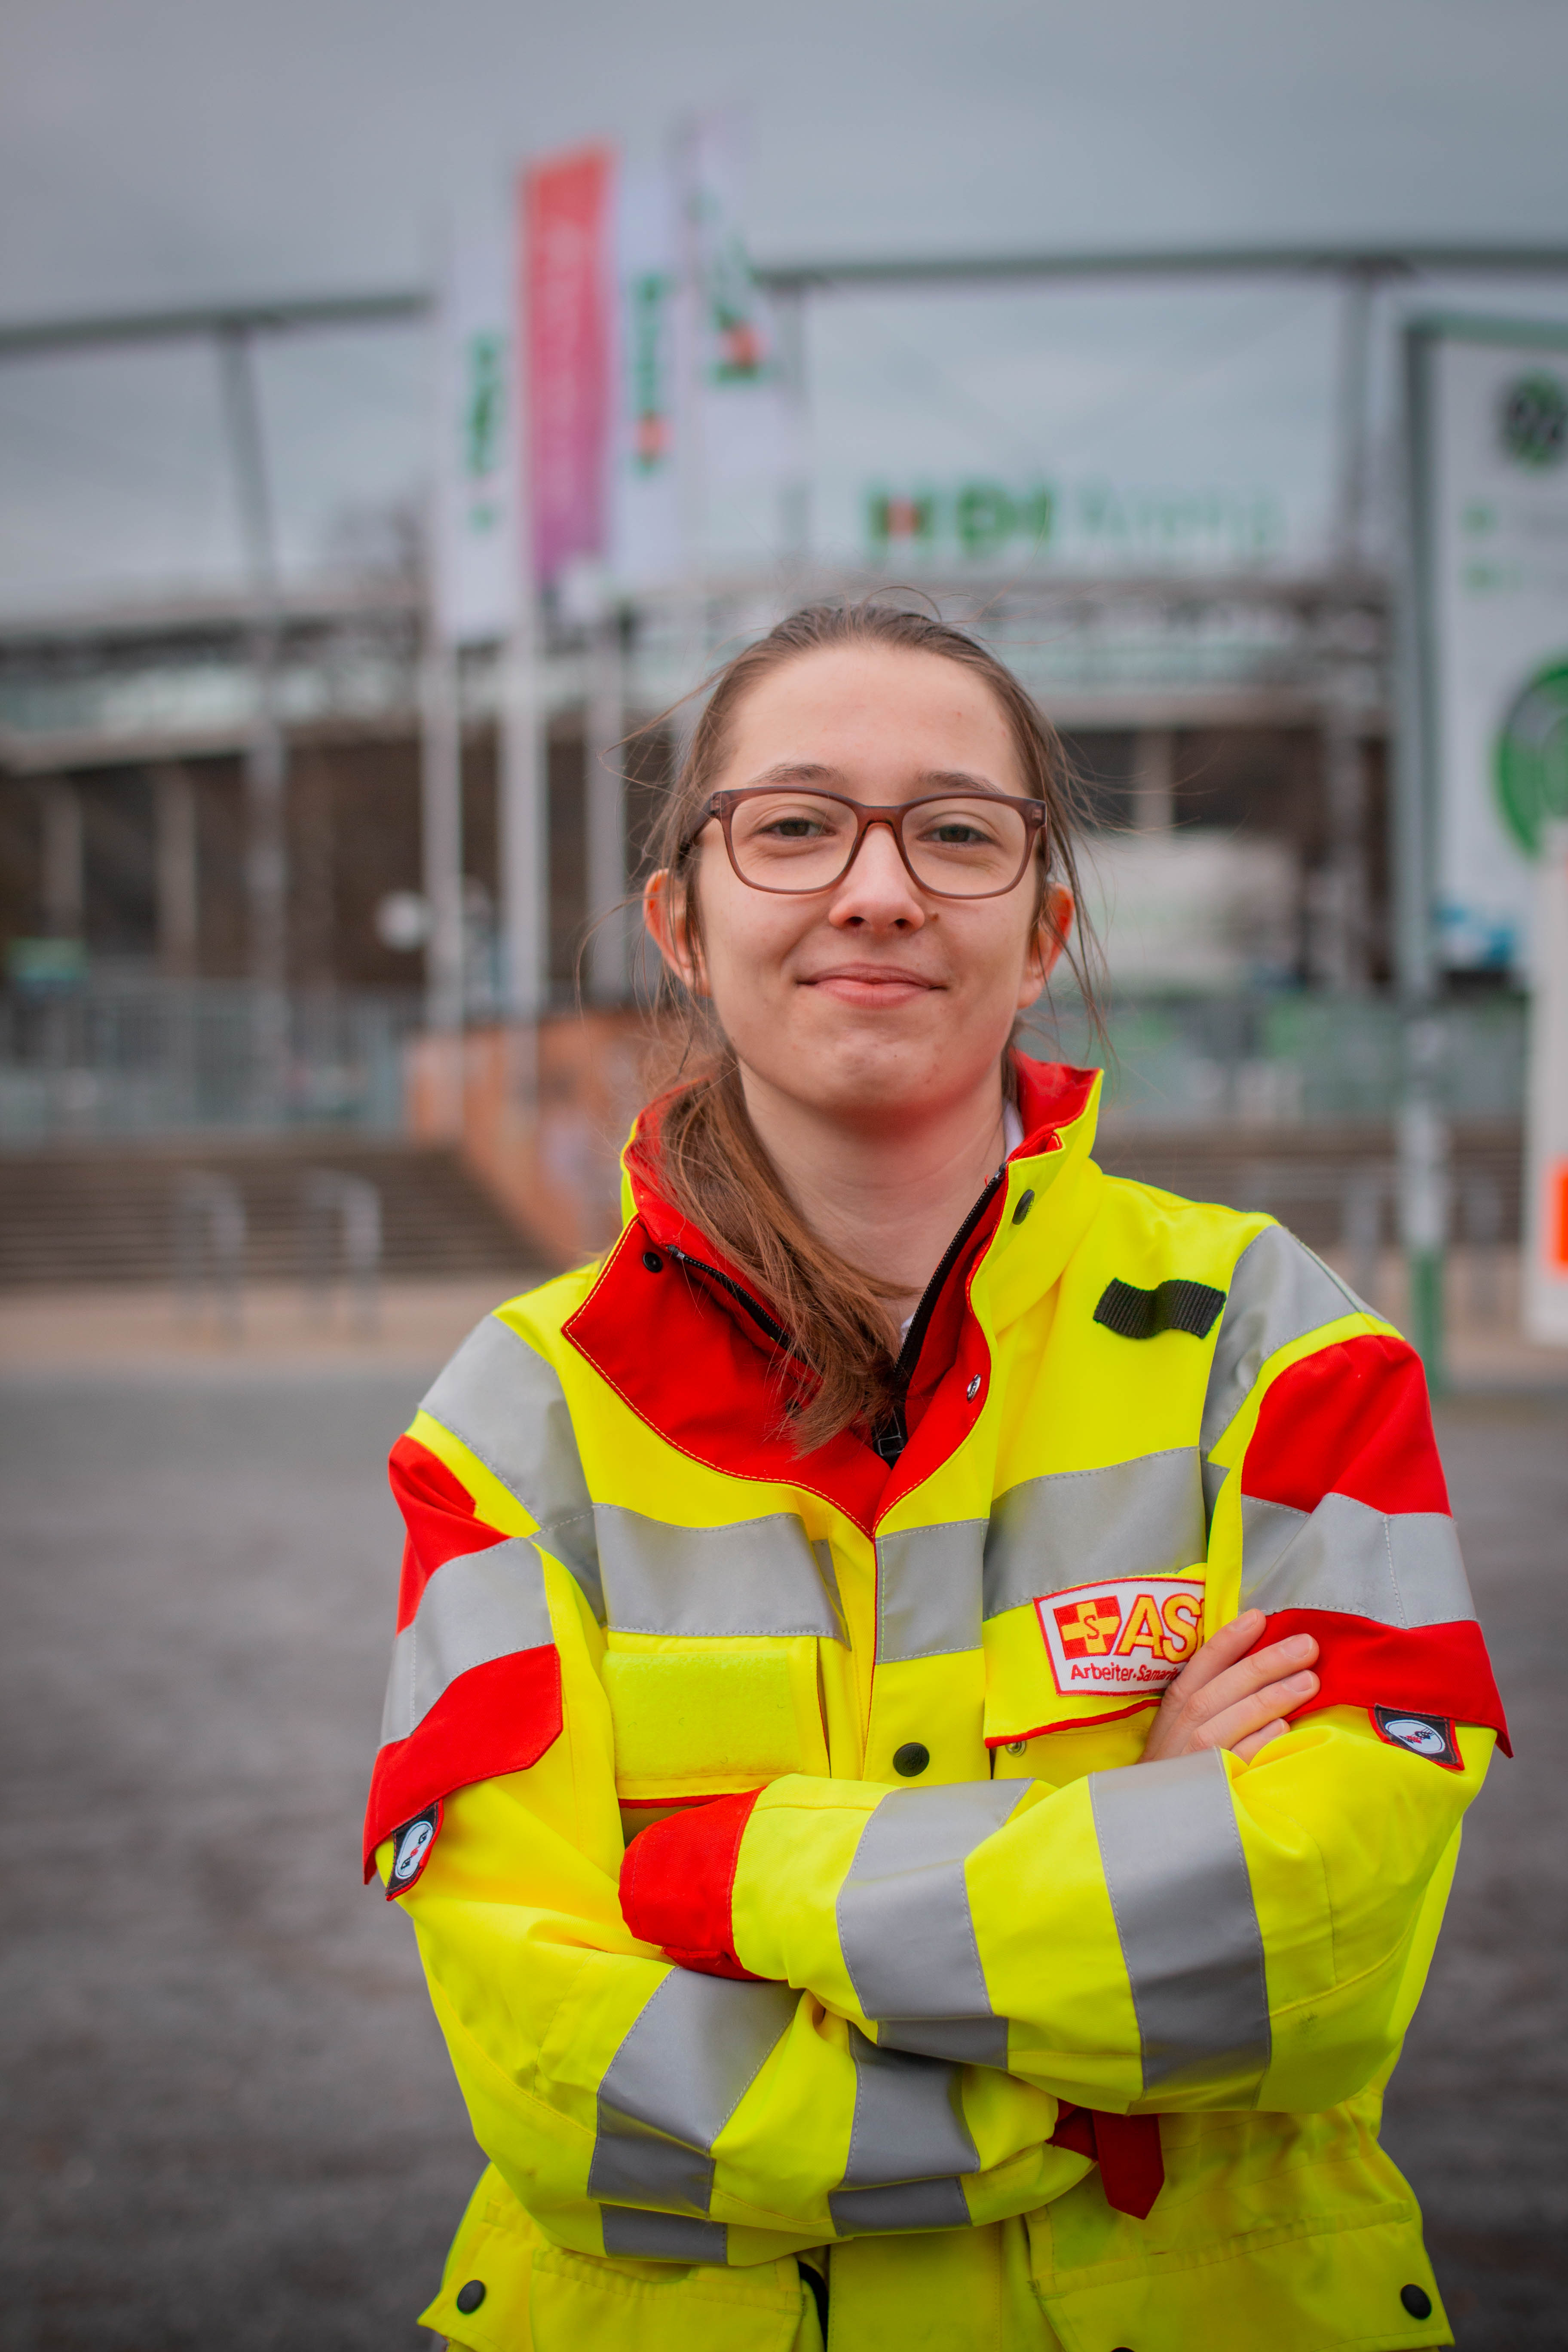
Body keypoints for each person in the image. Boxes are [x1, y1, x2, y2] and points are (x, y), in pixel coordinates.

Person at [364, 601, 1508, 2352]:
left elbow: (1320, 1960)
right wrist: (1078, 2053)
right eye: (797, 824)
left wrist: (729, 1875)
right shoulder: (511, 1429)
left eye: (957, 832)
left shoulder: (1280, 1351)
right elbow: (557, 2072)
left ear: (1045, 921)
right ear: (682, 916)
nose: (878, 889)